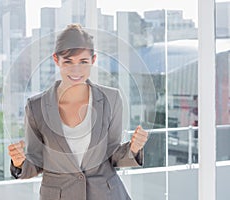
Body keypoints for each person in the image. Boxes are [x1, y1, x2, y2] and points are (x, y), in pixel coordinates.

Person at [8, 24, 148, 200]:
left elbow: (112, 155)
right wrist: (19, 162)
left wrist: (133, 149)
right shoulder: (36, 107)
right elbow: (36, 162)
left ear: (93, 60)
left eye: (83, 62)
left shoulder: (111, 99)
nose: (76, 70)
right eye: (68, 62)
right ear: (56, 60)